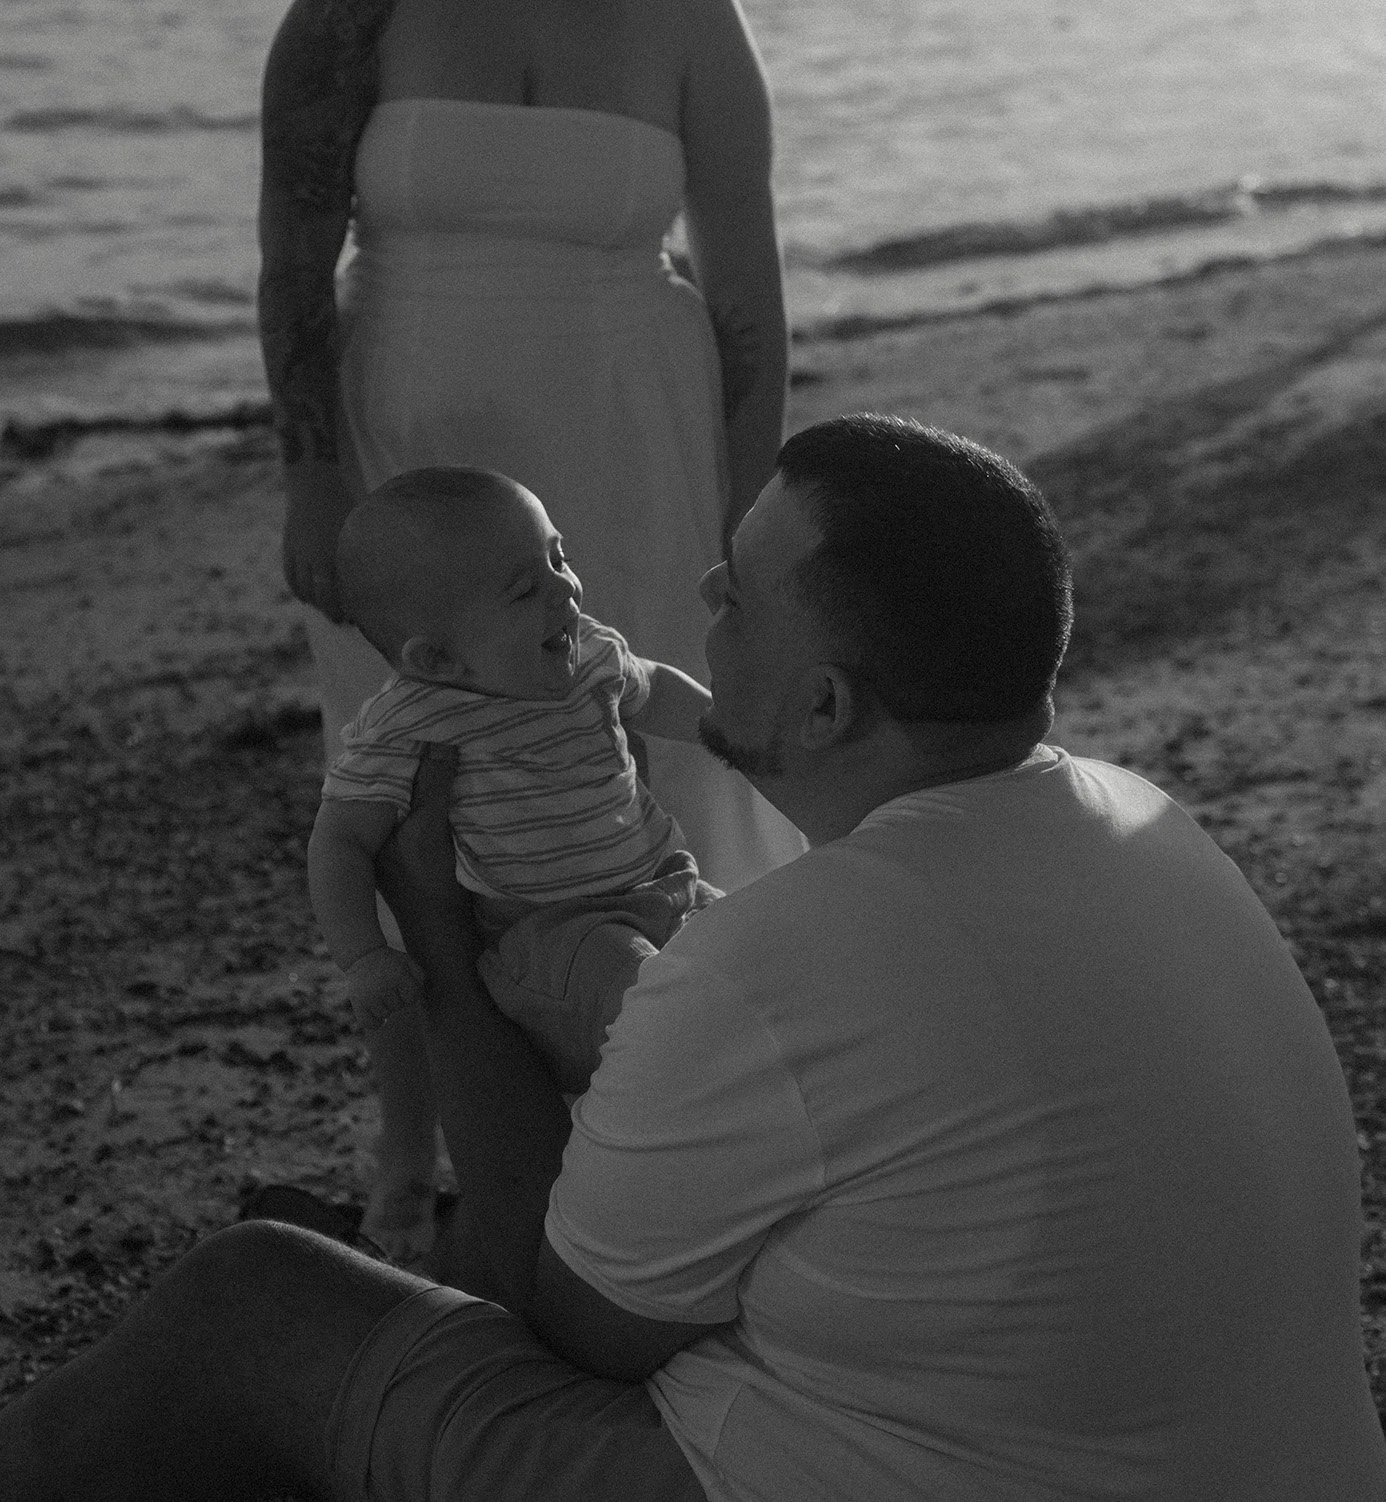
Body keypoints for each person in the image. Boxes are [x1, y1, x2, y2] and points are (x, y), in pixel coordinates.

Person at [5, 411, 1383, 1501]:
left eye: (739, 594)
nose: (700, 594)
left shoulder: (779, 958)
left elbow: (570, 1325)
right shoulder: (1153, 827)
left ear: (828, 698)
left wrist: (435, 930)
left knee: (251, 1300)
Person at [256, 0, 804, 1252]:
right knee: (425, 800)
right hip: (410, 445)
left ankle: (672, 1136)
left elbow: (752, 288)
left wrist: (752, 513)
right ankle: (421, 1155)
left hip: (636, 440)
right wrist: (306, 467)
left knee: (642, 781)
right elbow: (294, 246)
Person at [311, 467, 717, 1122]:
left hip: (668, 885)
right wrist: (362, 957)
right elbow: (340, 841)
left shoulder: (588, 654)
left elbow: (653, 687)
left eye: (559, 558)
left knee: (757, 952)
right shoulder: (416, 719)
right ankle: (661, 1138)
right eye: (526, 590)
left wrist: (718, 723)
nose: (565, 590)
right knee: (653, 1003)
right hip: (545, 937)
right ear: (438, 661)